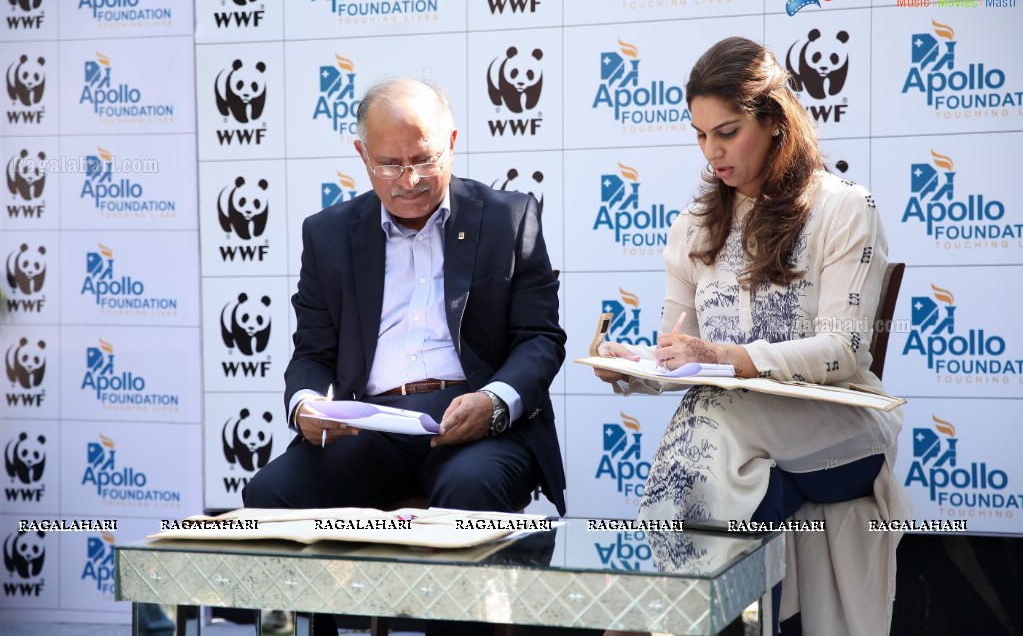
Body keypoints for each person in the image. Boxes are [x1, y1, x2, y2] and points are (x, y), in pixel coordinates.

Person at [594, 37, 910, 636]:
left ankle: (668, 614)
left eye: (728, 131)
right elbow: (677, 351)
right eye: (700, 134)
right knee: (709, 409)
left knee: (711, 408)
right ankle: (690, 614)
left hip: (841, 430)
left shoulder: (845, 208)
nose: (712, 151)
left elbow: (844, 351)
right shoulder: (692, 226)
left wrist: (730, 358)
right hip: (734, 436)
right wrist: (631, 365)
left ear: (773, 122)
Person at [243, 77, 566, 633]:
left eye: (423, 159)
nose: (409, 180)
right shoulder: (328, 234)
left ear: (453, 143)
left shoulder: (509, 218)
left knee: (468, 491)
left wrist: (492, 401)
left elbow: (540, 338)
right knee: (271, 493)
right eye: (389, 164)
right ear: (362, 156)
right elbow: (312, 353)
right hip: (370, 426)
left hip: (478, 424)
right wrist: (306, 405)